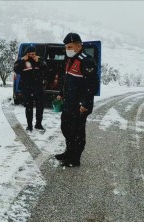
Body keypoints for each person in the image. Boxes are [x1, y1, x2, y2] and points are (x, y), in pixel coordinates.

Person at [55, 33, 99, 167]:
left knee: (77, 132)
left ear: (79, 45)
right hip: (69, 103)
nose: (67, 49)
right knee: (66, 128)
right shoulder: (70, 60)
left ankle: (75, 158)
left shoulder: (86, 61)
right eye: (66, 47)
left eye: (70, 46)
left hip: (79, 105)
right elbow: (67, 81)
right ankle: (69, 151)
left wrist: (85, 103)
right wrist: (61, 93)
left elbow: (92, 86)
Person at [14, 46, 47, 131]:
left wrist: (38, 61)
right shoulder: (22, 60)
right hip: (27, 88)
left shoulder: (39, 59)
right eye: (30, 54)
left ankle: (38, 124)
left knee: (40, 107)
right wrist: (23, 60)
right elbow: (16, 70)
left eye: (33, 54)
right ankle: (29, 126)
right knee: (29, 108)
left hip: (38, 88)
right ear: (27, 54)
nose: (32, 55)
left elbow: (46, 69)